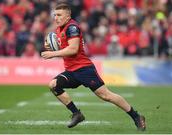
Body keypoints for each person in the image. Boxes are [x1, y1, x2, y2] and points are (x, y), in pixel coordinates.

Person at [41, 2, 146, 131]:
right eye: (55, 15)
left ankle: (136, 116)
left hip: (84, 69)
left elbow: (73, 49)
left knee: (106, 95)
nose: (56, 17)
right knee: (53, 85)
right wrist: (51, 45)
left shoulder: (72, 27)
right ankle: (76, 114)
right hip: (71, 71)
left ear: (68, 17)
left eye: (59, 15)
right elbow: (63, 44)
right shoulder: (59, 28)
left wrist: (53, 53)